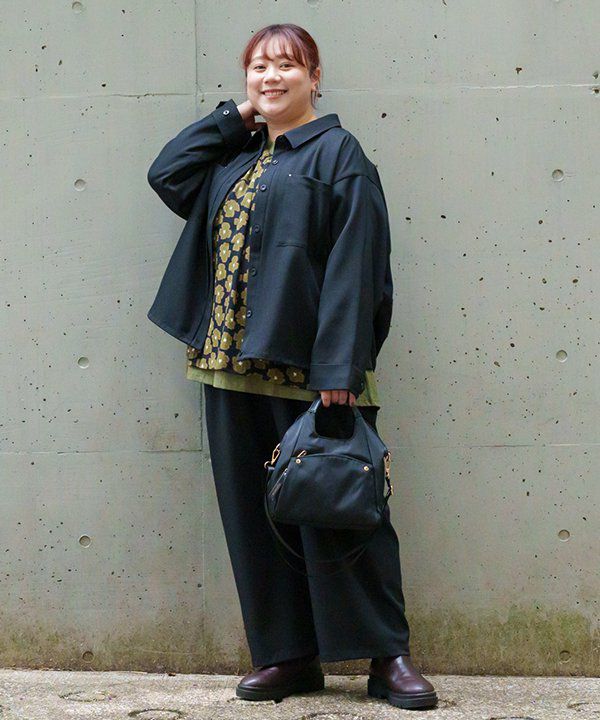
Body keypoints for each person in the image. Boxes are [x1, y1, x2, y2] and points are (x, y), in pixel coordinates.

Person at [146, 22, 437, 712]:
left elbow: (357, 264)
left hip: (312, 373)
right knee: (257, 519)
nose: (271, 77)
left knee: (343, 512)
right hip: (227, 367)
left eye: (286, 66)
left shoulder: (339, 154)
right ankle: (287, 656)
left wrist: (339, 369)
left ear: (315, 78)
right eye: (259, 67)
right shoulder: (236, 156)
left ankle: (386, 656)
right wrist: (237, 116)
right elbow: (167, 174)